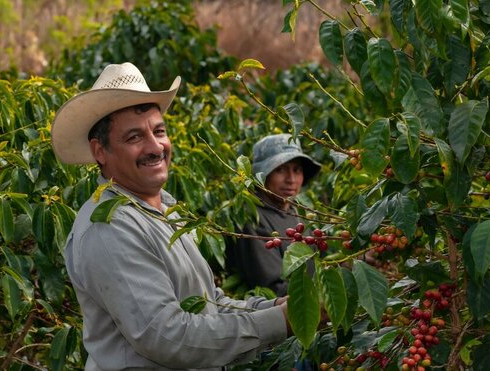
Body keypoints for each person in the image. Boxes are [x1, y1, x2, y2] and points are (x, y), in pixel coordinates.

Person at [51, 62, 289, 370]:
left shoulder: (164, 208)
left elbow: (207, 303)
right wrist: (277, 322)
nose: (155, 146)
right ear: (100, 152)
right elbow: (166, 337)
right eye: (134, 137)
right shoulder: (109, 227)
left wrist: (274, 309)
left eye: (159, 131)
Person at [226, 134, 321, 296]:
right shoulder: (252, 218)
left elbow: (325, 261)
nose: (291, 179)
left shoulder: (300, 212)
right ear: (262, 175)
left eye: (297, 170)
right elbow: (274, 288)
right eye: (280, 169)